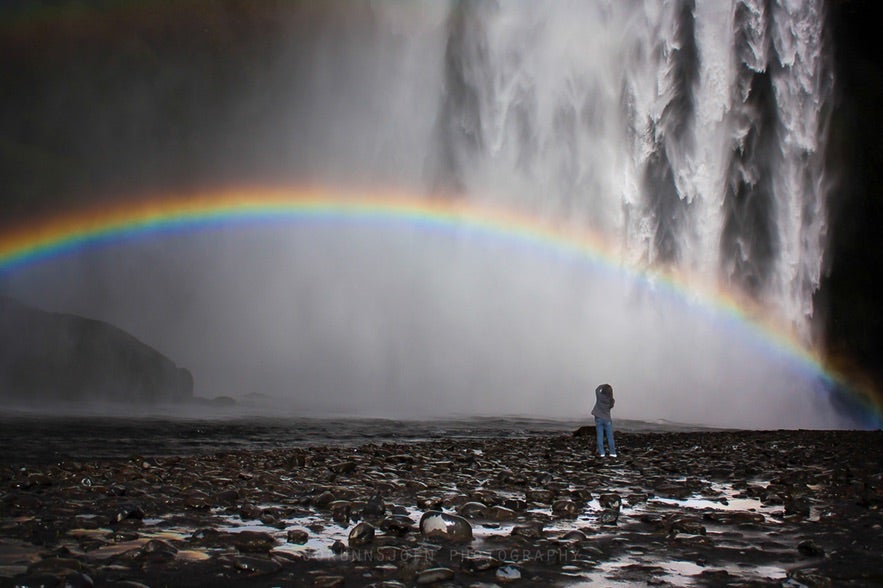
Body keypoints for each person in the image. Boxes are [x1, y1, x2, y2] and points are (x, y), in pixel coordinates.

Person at [591, 383, 617, 457]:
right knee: (610, 436)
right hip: (607, 419)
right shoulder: (611, 400)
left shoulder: (600, 397)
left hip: (599, 418)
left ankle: (602, 453)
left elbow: (597, 389)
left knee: (600, 435)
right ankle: (613, 453)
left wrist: (603, 385)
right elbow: (611, 407)